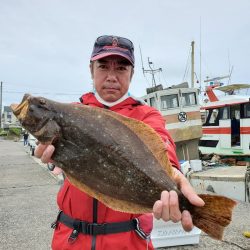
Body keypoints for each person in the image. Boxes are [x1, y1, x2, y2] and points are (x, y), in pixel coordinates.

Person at [35, 35, 204, 250]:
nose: (112, 76)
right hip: (70, 238)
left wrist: (171, 171)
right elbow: (55, 157)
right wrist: (51, 158)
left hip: (127, 241)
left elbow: (160, 141)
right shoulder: (70, 113)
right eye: (103, 66)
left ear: (132, 73)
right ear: (91, 70)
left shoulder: (146, 114)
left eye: (121, 69)